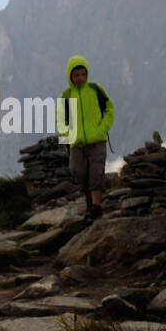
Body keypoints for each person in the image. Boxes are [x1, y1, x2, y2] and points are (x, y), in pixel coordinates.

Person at [56, 55, 115, 220]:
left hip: (97, 140)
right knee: (77, 171)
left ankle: (96, 208)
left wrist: (102, 128)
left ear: (87, 74)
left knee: (96, 172)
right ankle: (89, 202)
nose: (80, 78)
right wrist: (68, 136)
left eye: (83, 74)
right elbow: (60, 119)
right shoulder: (66, 95)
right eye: (76, 75)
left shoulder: (95, 89)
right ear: (70, 76)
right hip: (77, 143)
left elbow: (110, 109)